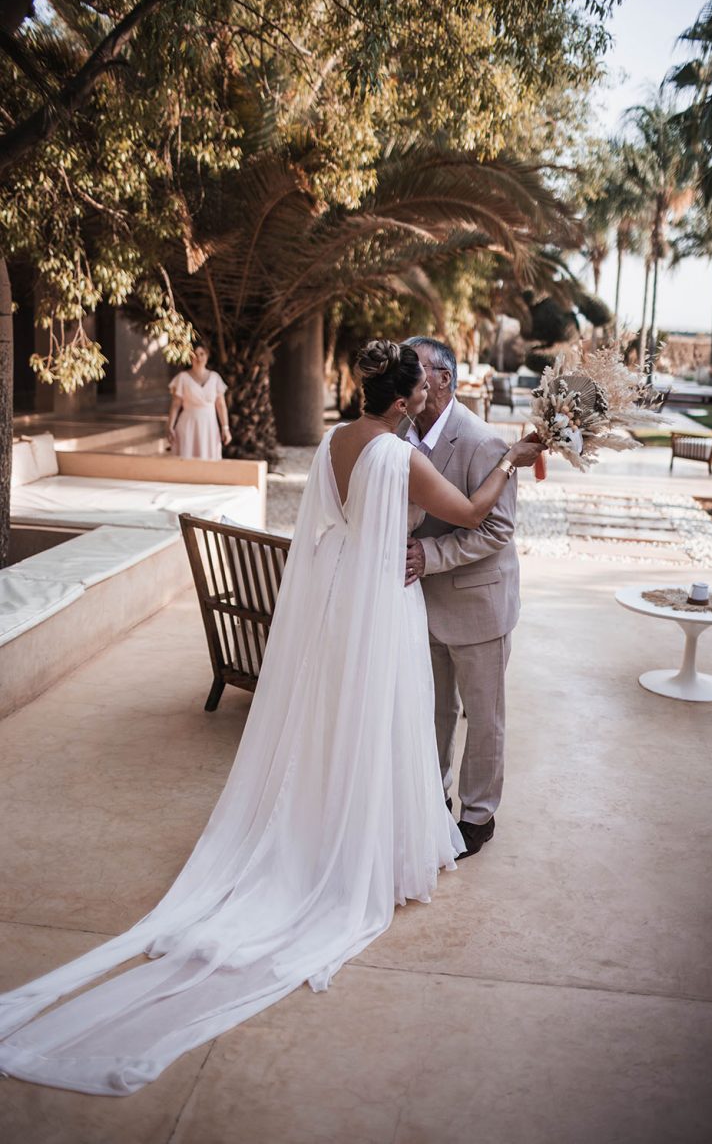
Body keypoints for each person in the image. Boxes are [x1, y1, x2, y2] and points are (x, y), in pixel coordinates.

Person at [0, 340, 542, 1096]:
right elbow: (474, 510)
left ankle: (328, 820)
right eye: (419, 388)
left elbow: (330, 528)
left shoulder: (334, 441)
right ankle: (363, 838)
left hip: (341, 594)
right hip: (383, 600)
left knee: (343, 714)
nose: (427, 394)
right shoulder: (398, 457)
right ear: (399, 401)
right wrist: (512, 457)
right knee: (382, 712)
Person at [402, 336, 544, 858]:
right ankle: (432, 799)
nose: (404, 373)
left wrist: (429, 555)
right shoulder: (398, 432)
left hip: (478, 605)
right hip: (419, 604)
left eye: (413, 365)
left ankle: (478, 817)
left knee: (484, 719)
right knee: (433, 711)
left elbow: (496, 529)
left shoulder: (483, 442)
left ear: (443, 378)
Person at [166, 342, 231, 458]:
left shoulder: (215, 377)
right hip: (188, 425)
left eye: (202, 354)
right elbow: (176, 404)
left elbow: (221, 405)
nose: (199, 358)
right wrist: (170, 426)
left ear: (207, 356)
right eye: (195, 354)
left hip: (209, 426)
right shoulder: (182, 378)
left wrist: (225, 428)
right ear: (190, 357)